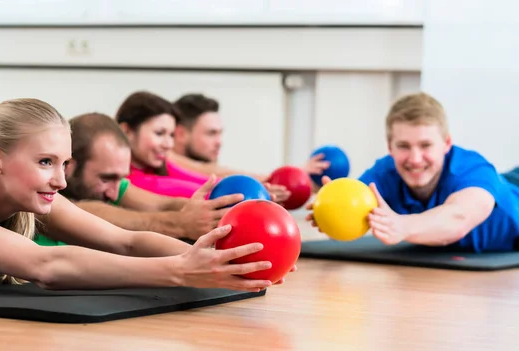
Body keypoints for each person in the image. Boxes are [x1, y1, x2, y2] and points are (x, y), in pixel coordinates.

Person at [0, 98, 293, 291]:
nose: (61, 181)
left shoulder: (28, 197)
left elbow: (125, 242)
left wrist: (232, 261)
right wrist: (179, 272)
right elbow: (45, 266)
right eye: (45, 161)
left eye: (63, 163)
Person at [306, 92, 519, 253]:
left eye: (425, 145)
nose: (415, 159)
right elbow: (354, 205)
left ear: (446, 143)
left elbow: (458, 217)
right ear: (390, 147)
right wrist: (330, 206)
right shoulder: (385, 173)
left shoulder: (473, 170)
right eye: (404, 146)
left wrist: (402, 226)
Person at [48, 112, 243, 242]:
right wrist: (179, 223)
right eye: (106, 179)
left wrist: (219, 211)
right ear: (68, 165)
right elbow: (80, 211)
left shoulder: (110, 182)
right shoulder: (43, 195)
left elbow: (162, 205)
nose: (115, 194)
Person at [115, 91, 289, 202]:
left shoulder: (161, 164)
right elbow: (188, 191)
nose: (168, 144)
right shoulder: (120, 180)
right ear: (127, 131)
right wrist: (243, 194)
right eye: (159, 133)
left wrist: (252, 187)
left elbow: (204, 181)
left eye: (170, 135)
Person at [170, 93, 328, 195]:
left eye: (220, 133)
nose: (219, 142)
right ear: (181, 134)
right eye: (211, 133)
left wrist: (311, 185)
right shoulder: (165, 159)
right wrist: (287, 175)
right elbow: (210, 171)